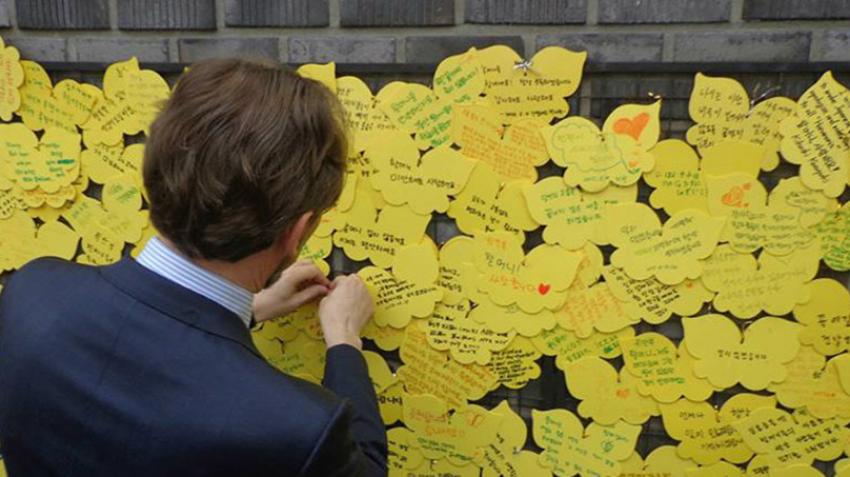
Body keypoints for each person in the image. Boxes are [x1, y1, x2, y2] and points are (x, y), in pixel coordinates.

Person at [0, 58, 387, 476]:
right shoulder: (302, 429)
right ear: (298, 231)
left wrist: (250, 309)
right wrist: (345, 343)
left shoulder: (31, 292)